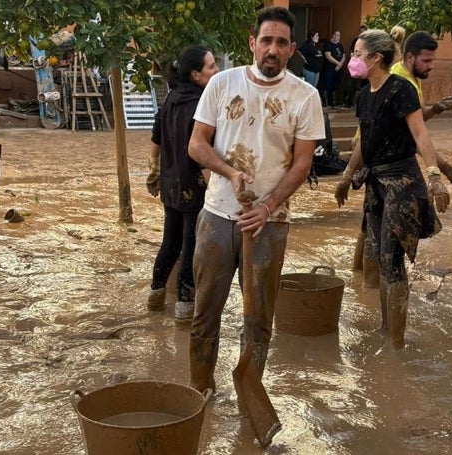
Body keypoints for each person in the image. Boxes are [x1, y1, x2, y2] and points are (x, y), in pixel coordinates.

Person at [187, 6, 325, 393]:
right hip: (216, 215)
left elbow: (302, 164)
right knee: (204, 315)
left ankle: (249, 389)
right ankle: (201, 391)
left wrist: (267, 206)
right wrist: (229, 172)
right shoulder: (222, 84)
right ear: (252, 43)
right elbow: (197, 144)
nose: (272, 49)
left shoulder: (305, 96)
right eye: (266, 40)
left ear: (292, 49)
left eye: (281, 43)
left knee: (259, 319)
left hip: (270, 222)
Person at [334, 29, 450, 350]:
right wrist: (346, 176)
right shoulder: (365, 95)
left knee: (392, 257)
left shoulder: (400, 90)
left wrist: (435, 175)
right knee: (380, 257)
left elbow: (420, 134)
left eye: (358, 54)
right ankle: (386, 329)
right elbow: (364, 140)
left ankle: (396, 343)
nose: (353, 60)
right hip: (376, 184)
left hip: (402, 183)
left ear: (375, 58)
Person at [352, 30, 452, 287]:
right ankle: (364, 281)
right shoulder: (392, 84)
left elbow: (415, 129)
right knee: (373, 236)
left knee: (383, 247)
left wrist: (436, 172)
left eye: (357, 54)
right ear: (410, 57)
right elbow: (413, 132)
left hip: (390, 165)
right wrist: (440, 169)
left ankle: (365, 285)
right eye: (427, 61)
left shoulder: (406, 84)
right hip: (375, 157)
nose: (431, 66)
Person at [145, 46, 220, 326]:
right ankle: (184, 312)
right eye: (211, 67)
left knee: (170, 243)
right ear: (195, 75)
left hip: (171, 186)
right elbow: (200, 155)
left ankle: (155, 297)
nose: (216, 71)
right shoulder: (200, 105)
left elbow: (155, 140)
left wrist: (153, 173)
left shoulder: (171, 99)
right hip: (194, 186)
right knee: (190, 248)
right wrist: (217, 189)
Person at [342, 24, 368, 109]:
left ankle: (361, 104)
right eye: (361, 32)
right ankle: (347, 103)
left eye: (363, 31)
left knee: (360, 87)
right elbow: (352, 52)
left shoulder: (369, 42)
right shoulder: (356, 40)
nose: (362, 33)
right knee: (349, 85)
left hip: (363, 67)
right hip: (355, 65)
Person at [322, 30, 345, 108]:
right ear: (332, 35)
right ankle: (326, 103)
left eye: (338, 35)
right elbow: (328, 56)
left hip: (338, 69)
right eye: (335, 34)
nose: (336, 36)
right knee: (327, 85)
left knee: (335, 85)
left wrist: (340, 64)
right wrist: (338, 63)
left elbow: (343, 56)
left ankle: (333, 103)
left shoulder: (340, 45)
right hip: (329, 68)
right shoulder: (328, 44)